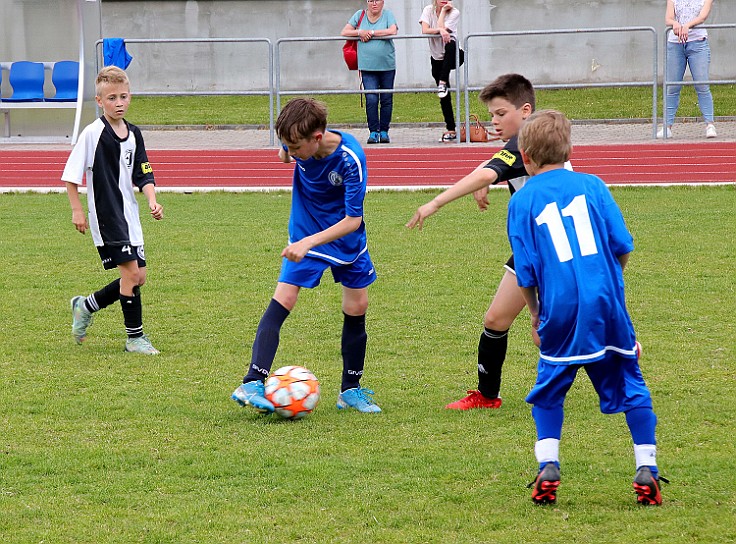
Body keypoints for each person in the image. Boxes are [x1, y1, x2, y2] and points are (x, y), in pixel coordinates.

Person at [508, 109, 664, 506]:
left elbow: (524, 273)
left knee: (549, 387)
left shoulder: (523, 200)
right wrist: (611, 283)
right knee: (630, 376)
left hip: (558, 307)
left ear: (524, 156)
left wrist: (533, 313)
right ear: (569, 149)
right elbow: (622, 245)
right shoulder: (593, 185)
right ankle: (646, 466)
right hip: (606, 302)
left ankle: (548, 463)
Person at [407, 73, 555, 412]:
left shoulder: (528, 143)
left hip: (553, 250)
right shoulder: (534, 139)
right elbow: (494, 166)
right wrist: (484, 177)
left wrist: (434, 203)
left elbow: (492, 169)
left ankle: (613, 354)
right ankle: (487, 396)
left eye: (501, 114)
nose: (494, 122)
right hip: (532, 248)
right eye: (491, 115)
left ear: (526, 111)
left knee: (544, 333)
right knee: (496, 320)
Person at [231, 98, 382, 414]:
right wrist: (286, 150)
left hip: (343, 236)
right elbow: (285, 155)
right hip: (305, 229)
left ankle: (350, 391)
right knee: (283, 298)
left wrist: (310, 243)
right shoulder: (298, 145)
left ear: (317, 137)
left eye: (295, 146)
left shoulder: (350, 159)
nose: (291, 152)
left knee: (357, 306)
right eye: (287, 144)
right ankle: (252, 381)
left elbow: (353, 219)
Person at [62, 66, 164, 355]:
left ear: (130, 96)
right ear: (99, 101)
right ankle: (135, 338)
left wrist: (152, 201)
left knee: (139, 276)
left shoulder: (134, 134)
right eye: (111, 98)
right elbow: (71, 176)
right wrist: (77, 210)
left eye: (123, 97)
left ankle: (85, 305)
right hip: (107, 217)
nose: (118, 103)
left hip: (129, 216)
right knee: (131, 275)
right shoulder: (92, 134)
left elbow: (144, 172)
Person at [341, 0, 398, 144]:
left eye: (377, 0)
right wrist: (360, 32)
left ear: (382, 2)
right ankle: (373, 131)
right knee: (371, 98)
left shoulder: (388, 15)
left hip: (387, 66)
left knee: (386, 99)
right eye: (370, 1)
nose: (374, 4)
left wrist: (371, 33)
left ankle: (384, 131)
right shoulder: (359, 15)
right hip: (367, 66)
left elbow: (392, 30)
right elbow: (345, 32)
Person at [660, 0, 717, 139]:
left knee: (702, 85)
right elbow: (668, 18)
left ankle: (710, 124)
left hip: (698, 43)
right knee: (672, 87)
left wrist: (687, 26)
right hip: (675, 44)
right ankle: (667, 126)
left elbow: (702, 17)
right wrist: (675, 24)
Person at [420, 0, 464, 142]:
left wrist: (444, 11)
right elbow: (425, 30)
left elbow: (444, 30)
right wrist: (440, 30)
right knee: (444, 97)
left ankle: (443, 81)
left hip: (453, 56)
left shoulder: (454, 12)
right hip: (437, 58)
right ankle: (450, 128)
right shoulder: (428, 10)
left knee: (451, 43)